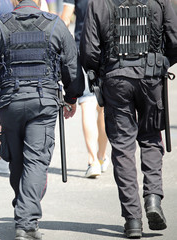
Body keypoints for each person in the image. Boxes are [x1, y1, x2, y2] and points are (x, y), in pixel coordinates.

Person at [0, 0, 84, 239]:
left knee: (16, 160)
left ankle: (23, 207)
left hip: (9, 103)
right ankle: (26, 221)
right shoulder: (55, 25)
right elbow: (71, 65)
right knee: (35, 161)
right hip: (42, 103)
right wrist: (72, 97)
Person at [80, 0, 177, 238]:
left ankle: (133, 220)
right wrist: (162, 63)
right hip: (151, 78)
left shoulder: (98, 3)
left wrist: (99, 73)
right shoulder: (160, 1)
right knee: (152, 137)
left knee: (122, 148)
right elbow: (174, 39)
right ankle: (153, 199)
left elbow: (89, 51)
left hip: (116, 78)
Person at [0, 0, 49, 174]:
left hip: (6, 73)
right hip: (38, 76)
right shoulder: (39, 2)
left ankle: (2, 157)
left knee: (1, 115)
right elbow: (49, 26)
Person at [60, 0, 110, 178]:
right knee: (103, 106)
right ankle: (102, 156)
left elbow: (65, 18)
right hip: (107, 50)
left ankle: (92, 161)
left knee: (87, 104)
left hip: (84, 49)